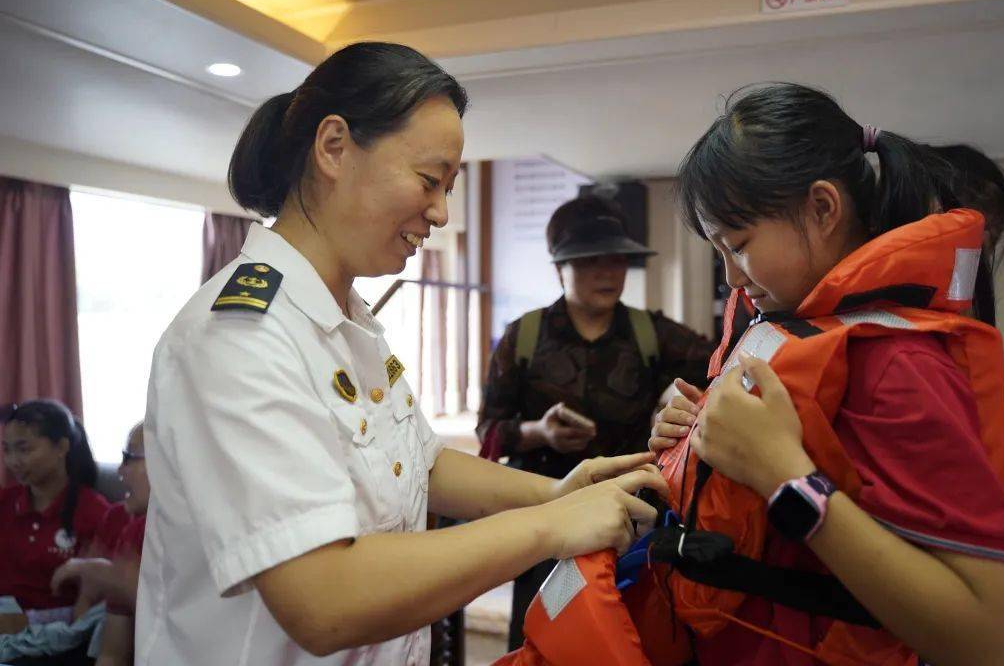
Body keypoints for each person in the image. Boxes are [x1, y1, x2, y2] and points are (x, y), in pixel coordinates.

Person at [135, 41, 667, 666]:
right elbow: (323, 599)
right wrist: (549, 527)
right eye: (428, 180)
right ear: (334, 147)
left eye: (448, 187)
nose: (441, 212)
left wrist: (551, 494)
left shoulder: (348, 316)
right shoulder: (240, 335)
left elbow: (420, 464)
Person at [642, 83, 1004, 665]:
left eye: (739, 244)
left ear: (823, 208)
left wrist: (784, 476)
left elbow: (1002, 646)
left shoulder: (901, 364)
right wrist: (695, 431)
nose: (729, 277)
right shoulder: (791, 326)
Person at [478, 194, 714, 648]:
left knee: (621, 639)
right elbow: (489, 431)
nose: (607, 273)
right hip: (544, 518)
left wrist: (674, 409)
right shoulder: (523, 337)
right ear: (559, 268)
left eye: (617, 260)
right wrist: (539, 432)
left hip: (627, 520)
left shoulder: (651, 334)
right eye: (589, 262)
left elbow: (721, 364)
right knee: (542, 638)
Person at [0, 400, 107, 632]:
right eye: (6, 450)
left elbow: (98, 608)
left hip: (54, 640)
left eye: (24, 449)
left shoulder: (95, 513)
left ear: (61, 447)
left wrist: (30, 622)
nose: (13, 461)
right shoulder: (5, 502)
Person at [52, 422, 149, 666]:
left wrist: (123, 583)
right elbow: (112, 655)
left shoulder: (224, 534)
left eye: (129, 458)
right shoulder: (134, 531)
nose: (120, 470)